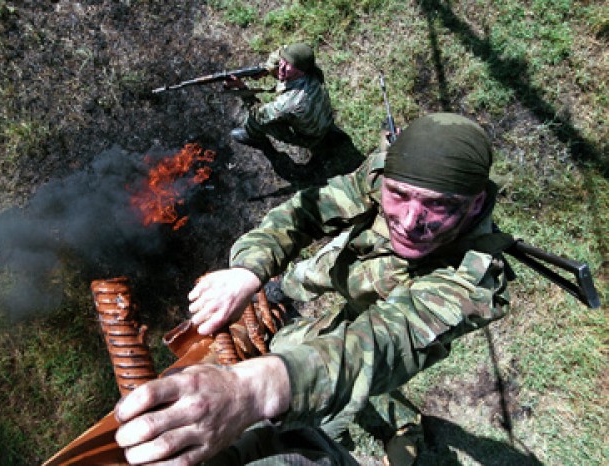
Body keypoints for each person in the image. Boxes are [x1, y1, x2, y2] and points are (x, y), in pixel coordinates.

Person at [114, 113, 513, 465]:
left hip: (396, 316)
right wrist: (249, 270)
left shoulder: (473, 280)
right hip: (352, 271)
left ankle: (401, 423)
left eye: (437, 205)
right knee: (292, 342)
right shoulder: (387, 172)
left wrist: (249, 391)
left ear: (475, 204)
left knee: (342, 378)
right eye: (399, 195)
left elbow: (383, 343)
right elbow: (308, 210)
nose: (409, 221)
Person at [225, 43, 338, 158]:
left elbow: (259, 114)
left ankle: (252, 136)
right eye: (283, 60)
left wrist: (242, 88)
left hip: (310, 137)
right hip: (325, 119)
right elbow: (282, 51)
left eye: (289, 65)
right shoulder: (311, 70)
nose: (281, 66)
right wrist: (268, 68)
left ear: (301, 71)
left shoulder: (291, 102)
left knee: (255, 120)